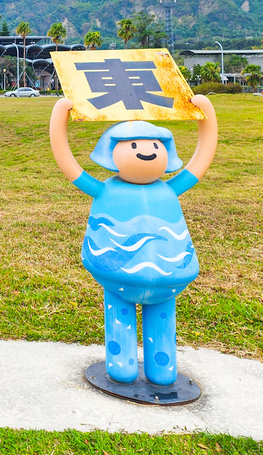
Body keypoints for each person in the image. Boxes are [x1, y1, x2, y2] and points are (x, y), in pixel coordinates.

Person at [49, 95, 217, 386]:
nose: (147, 153)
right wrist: (59, 118)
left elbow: (202, 159)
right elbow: (68, 163)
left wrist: (208, 119)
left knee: (159, 321)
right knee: (123, 318)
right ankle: (123, 367)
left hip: (167, 276)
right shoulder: (109, 191)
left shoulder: (166, 190)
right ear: (111, 153)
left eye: (154, 146)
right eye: (135, 146)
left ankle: (160, 369)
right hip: (118, 274)